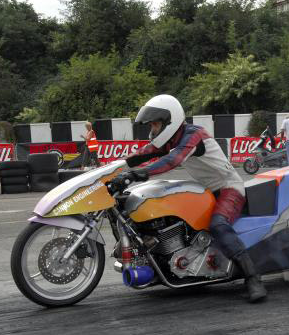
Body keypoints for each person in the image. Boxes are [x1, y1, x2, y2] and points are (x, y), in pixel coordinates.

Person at [111, 94, 267, 303]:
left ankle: (252, 278)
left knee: (218, 225)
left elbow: (172, 160)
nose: (153, 131)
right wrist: (114, 168)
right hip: (206, 191)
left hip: (228, 188)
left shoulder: (193, 136)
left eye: (155, 125)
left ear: (170, 121)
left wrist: (136, 174)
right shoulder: (174, 139)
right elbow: (146, 152)